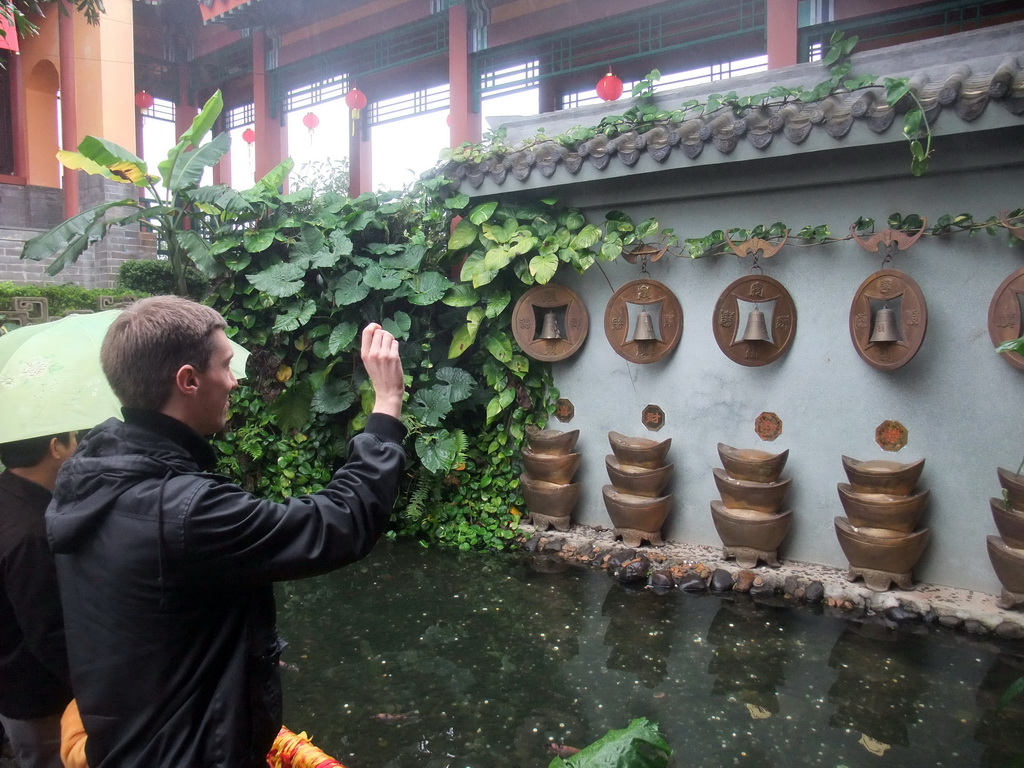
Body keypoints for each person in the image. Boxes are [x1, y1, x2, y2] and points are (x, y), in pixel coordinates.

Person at [46, 296, 407, 768]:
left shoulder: (92, 477)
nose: (235, 381)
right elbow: (338, 523)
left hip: (129, 744)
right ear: (189, 380)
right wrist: (386, 406)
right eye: (226, 365)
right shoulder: (183, 511)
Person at [0, 432, 77, 768]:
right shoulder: (30, 532)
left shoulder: (10, 498)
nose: (78, 446)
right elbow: (48, 631)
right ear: (55, 447)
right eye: (73, 439)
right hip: (40, 698)